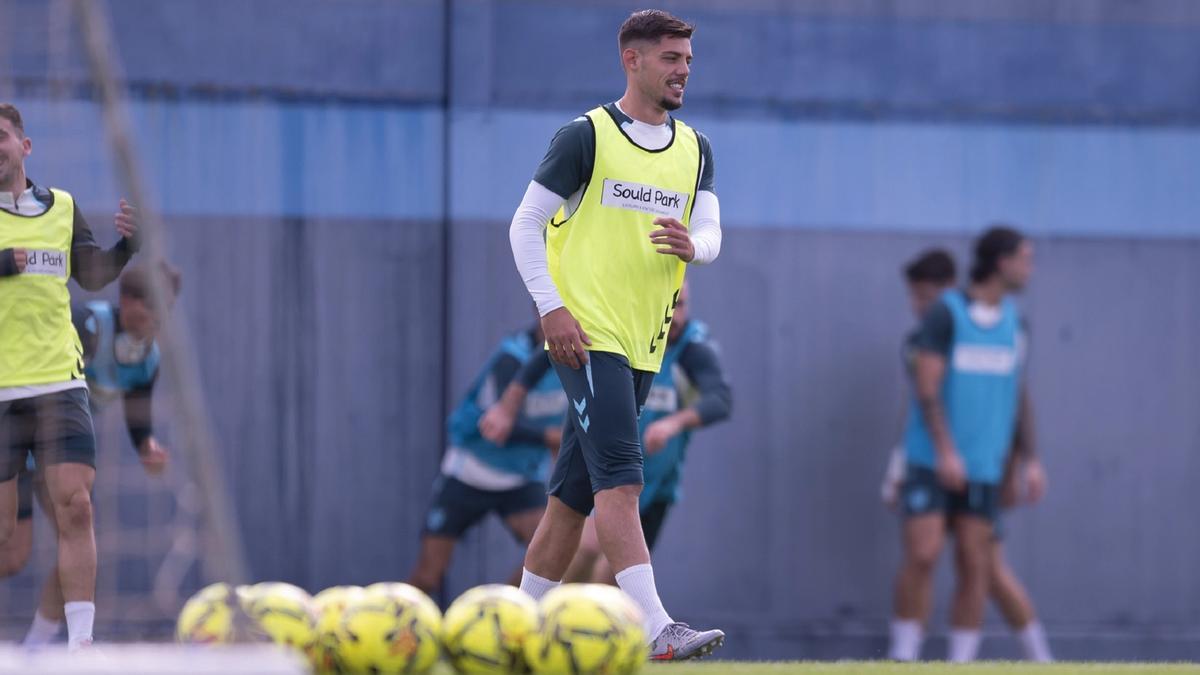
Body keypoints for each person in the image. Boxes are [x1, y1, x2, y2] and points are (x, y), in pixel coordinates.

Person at [502, 9, 725, 660]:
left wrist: (696, 247)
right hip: (585, 337)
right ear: (632, 60)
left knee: (570, 503)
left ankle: (515, 631)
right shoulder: (586, 137)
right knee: (621, 484)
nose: (684, 69)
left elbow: (710, 232)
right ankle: (657, 627)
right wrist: (551, 308)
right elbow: (524, 226)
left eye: (687, 58)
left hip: (642, 343)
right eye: (670, 58)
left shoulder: (696, 148)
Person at [0, 102, 141, 649]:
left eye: (2, 136)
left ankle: (81, 648)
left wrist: (128, 245)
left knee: (77, 507)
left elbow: (92, 274)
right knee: (6, 537)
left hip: (60, 380)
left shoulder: (62, 208)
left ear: (24, 146)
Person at [882, 249, 1052, 662]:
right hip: (932, 463)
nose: (919, 307)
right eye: (915, 297)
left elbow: (1011, 399)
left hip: (981, 467)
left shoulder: (1001, 324)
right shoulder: (924, 337)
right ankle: (903, 655)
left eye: (925, 296)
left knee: (985, 568)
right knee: (926, 554)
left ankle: (1035, 658)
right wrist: (900, 465)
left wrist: (1019, 464)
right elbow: (920, 399)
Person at [0, 261, 179, 646]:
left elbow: (139, 416)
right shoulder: (88, 325)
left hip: (59, 458)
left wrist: (148, 446)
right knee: (12, 555)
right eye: (149, 305)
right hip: (16, 439)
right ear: (127, 301)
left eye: (164, 307)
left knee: (80, 524)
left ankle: (41, 645)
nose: (154, 316)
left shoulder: (148, 360)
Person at [562, 282, 731, 584]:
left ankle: (592, 627)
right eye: (672, 306)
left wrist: (672, 423)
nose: (677, 316)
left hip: (656, 483)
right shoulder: (622, 335)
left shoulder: (692, 348)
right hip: (606, 468)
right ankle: (552, 617)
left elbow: (720, 400)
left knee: (618, 575)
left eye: (683, 306)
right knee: (585, 547)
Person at [407, 321, 566, 597]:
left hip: (521, 478)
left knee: (553, 556)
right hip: (469, 471)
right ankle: (395, 626)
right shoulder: (512, 357)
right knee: (427, 576)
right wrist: (551, 438)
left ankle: (502, 612)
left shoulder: (580, 357)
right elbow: (495, 426)